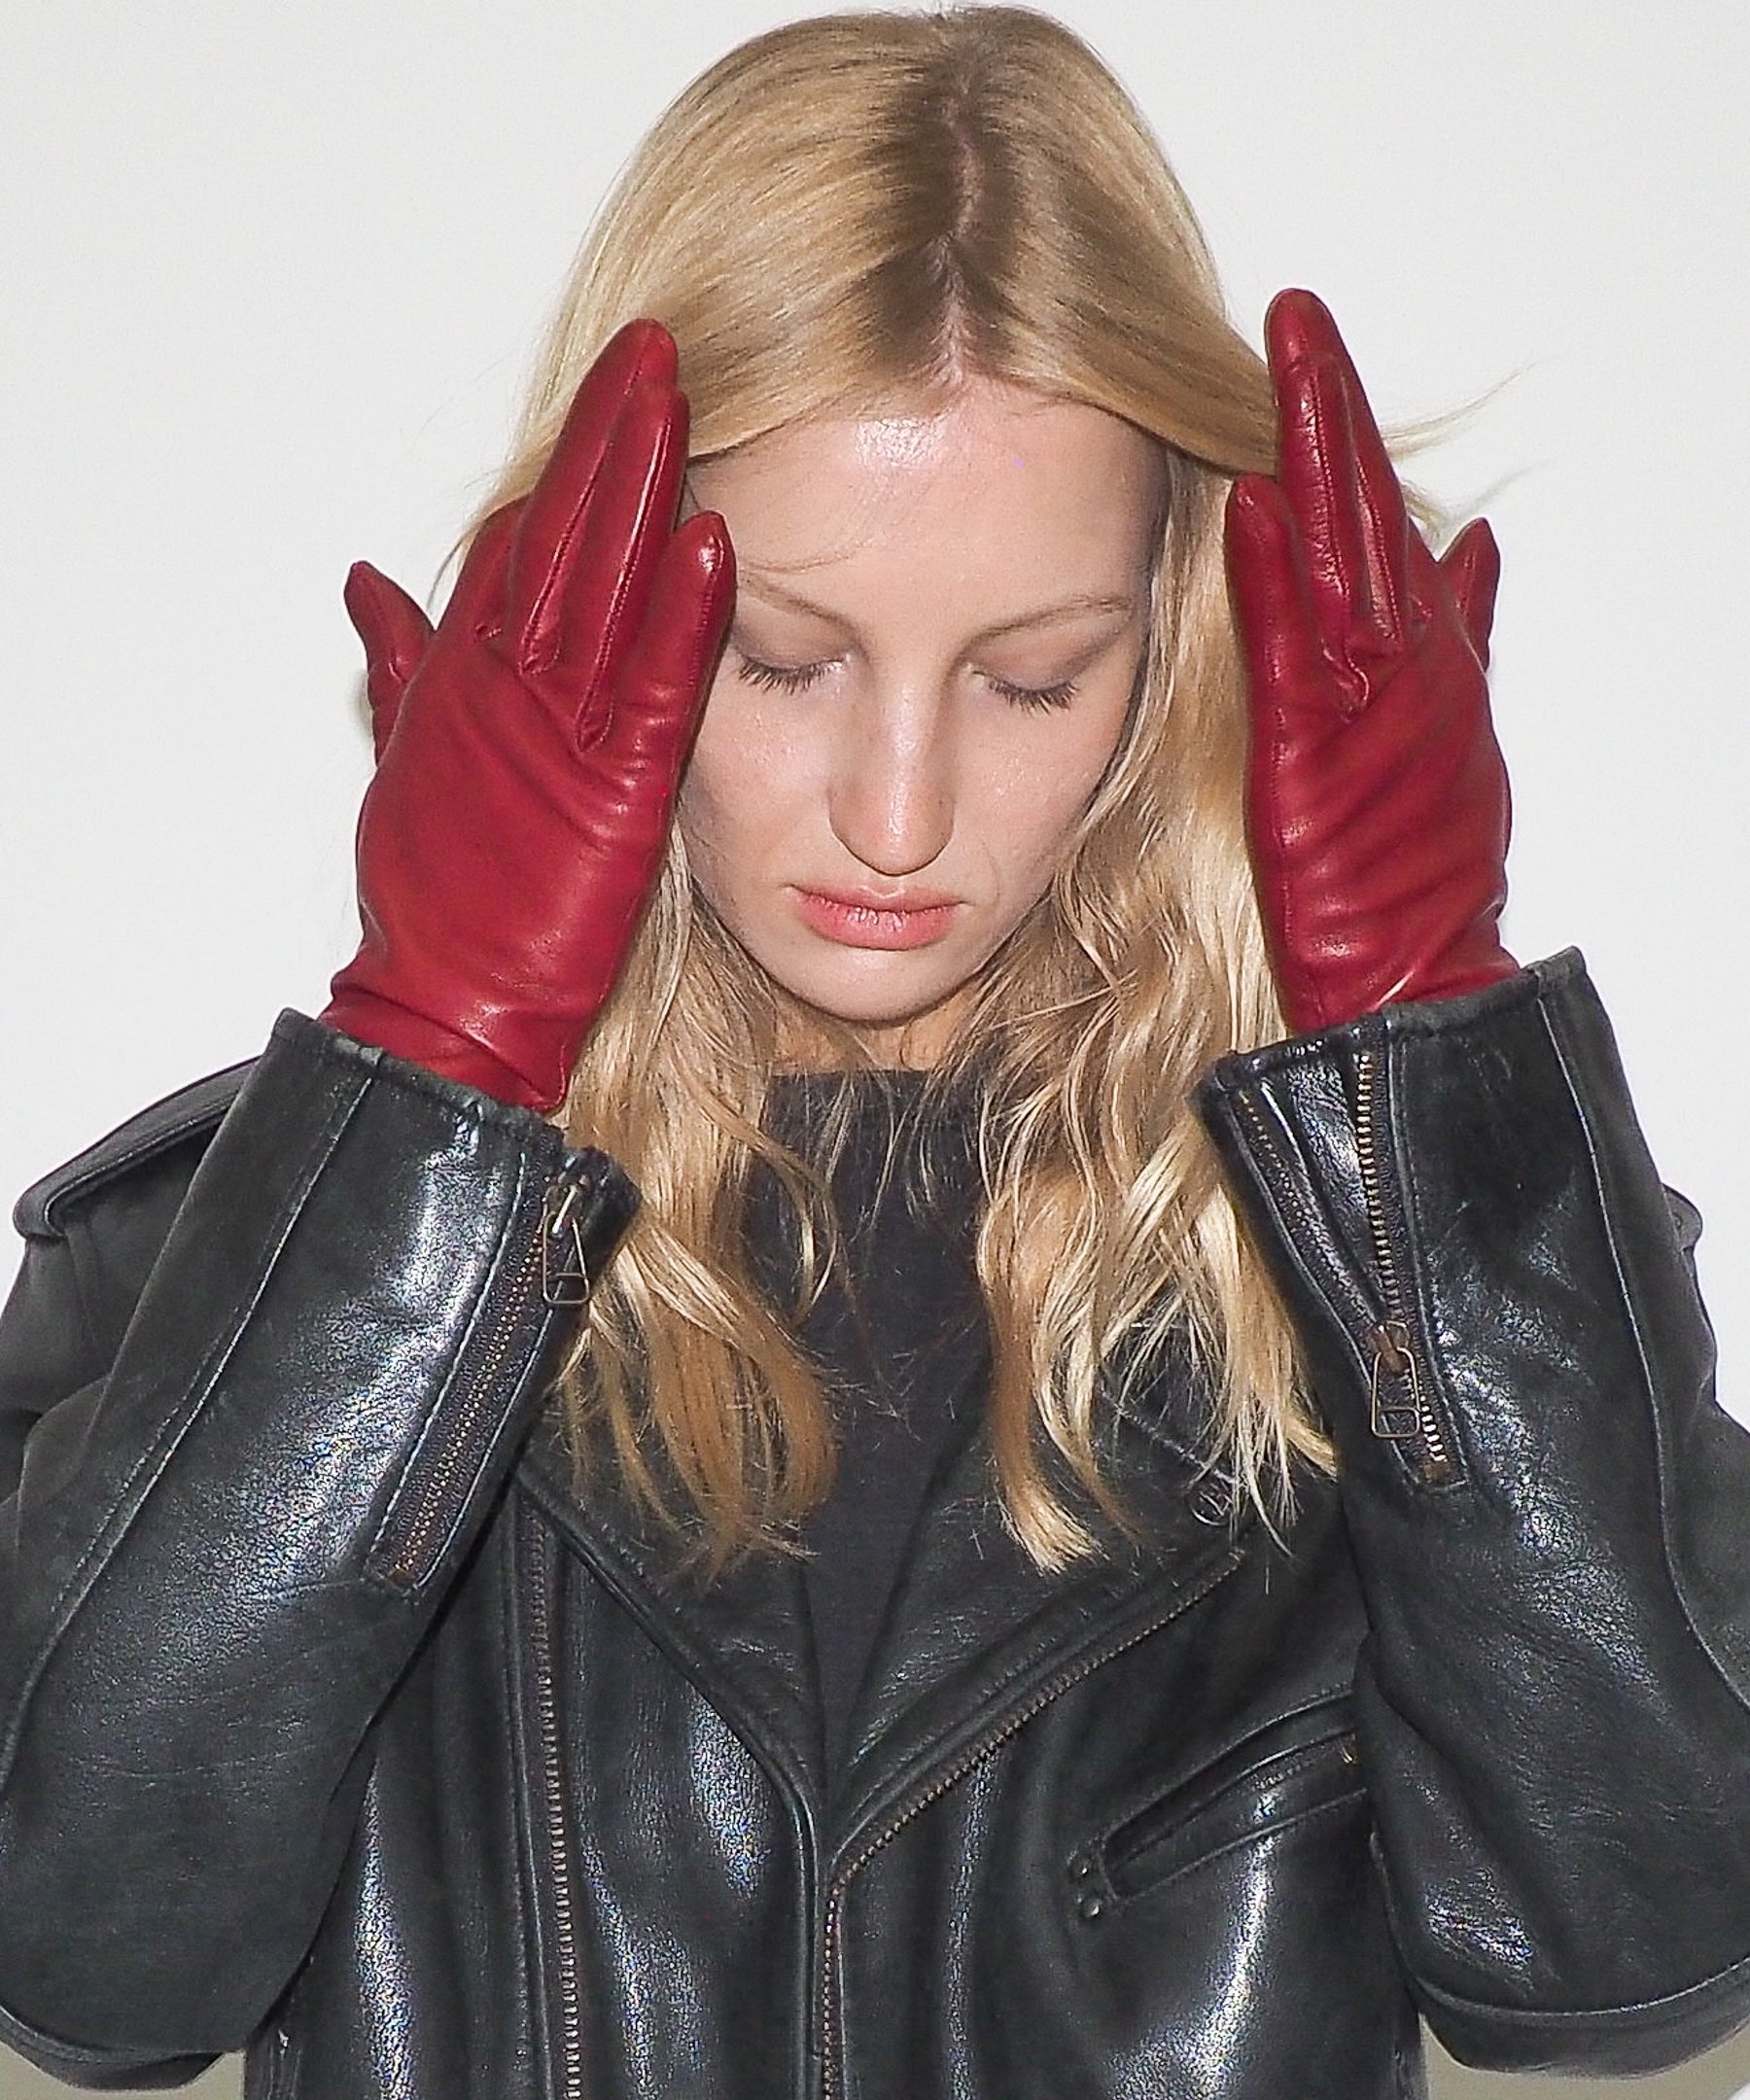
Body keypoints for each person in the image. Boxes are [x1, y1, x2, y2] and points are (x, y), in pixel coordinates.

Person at [0, 8, 1745, 2098]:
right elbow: (79, 1963)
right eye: (784, 660)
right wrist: (440, 1061)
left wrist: (1425, 1043)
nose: (896, 817)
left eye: (1029, 680)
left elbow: (1642, 1948)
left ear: (1172, 654)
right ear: (606, 611)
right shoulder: (246, 1278)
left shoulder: (1391, 1290)